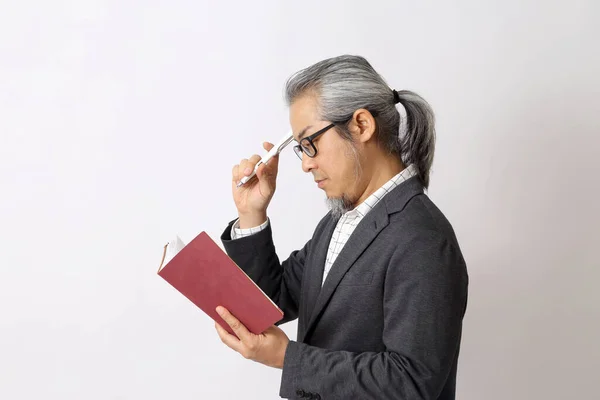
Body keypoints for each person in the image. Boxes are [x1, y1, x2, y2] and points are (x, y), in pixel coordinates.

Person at [214, 55, 469, 400]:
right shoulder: (337, 223)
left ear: (361, 125)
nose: (305, 164)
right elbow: (272, 301)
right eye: (300, 149)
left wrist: (288, 358)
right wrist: (251, 213)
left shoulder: (422, 238)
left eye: (311, 143)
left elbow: (412, 382)